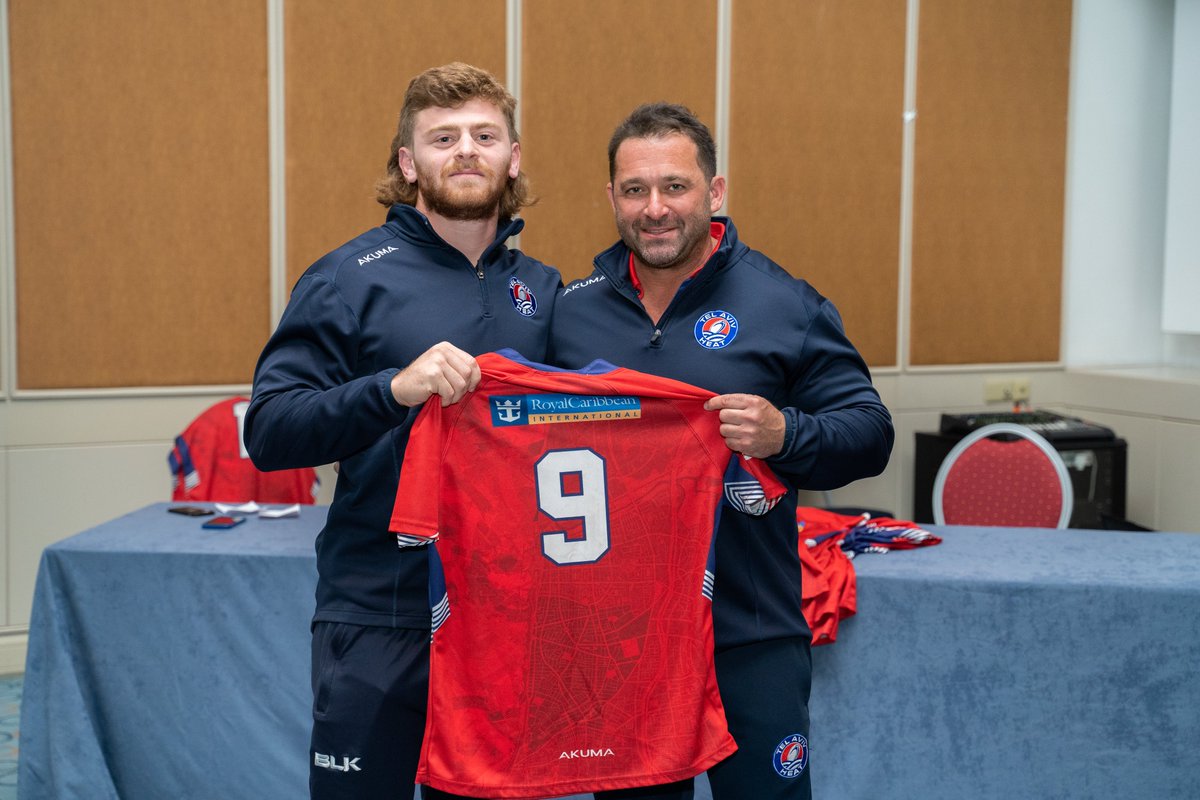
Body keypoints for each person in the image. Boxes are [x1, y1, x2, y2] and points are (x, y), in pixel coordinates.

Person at [549, 102, 894, 799]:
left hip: (751, 631)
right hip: (624, 642)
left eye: (675, 186)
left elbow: (870, 431)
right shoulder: (570, 312)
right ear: (610, 197)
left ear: (715, 191)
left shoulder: (784, 305)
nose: (655, 209)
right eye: (634, 189)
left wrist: (787, 435)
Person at [244, 63, 560, 800]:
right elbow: (271, 430)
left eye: (485, 135)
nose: (466, 151)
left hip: (503, 618)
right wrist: (392, 390)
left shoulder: (544, 290)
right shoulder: (347, 278)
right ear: (408, 163)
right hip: (377, 612)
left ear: (513, 157)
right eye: (442, 137)